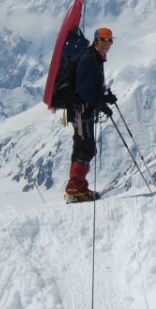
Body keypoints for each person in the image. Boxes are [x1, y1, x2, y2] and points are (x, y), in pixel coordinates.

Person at [65, 27, 117, 202]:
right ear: (96, 40)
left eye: (110, 40)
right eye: (104, 39)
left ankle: (77, 188)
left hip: (83, 109)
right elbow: (83, 88)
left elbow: (89, 86)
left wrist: (104, 97)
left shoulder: (95, 57)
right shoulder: (90, 59)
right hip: (82, 110)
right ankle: (75, 189)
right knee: (86, 147)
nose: (107, 43)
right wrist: (100, 103)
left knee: (83, 147)